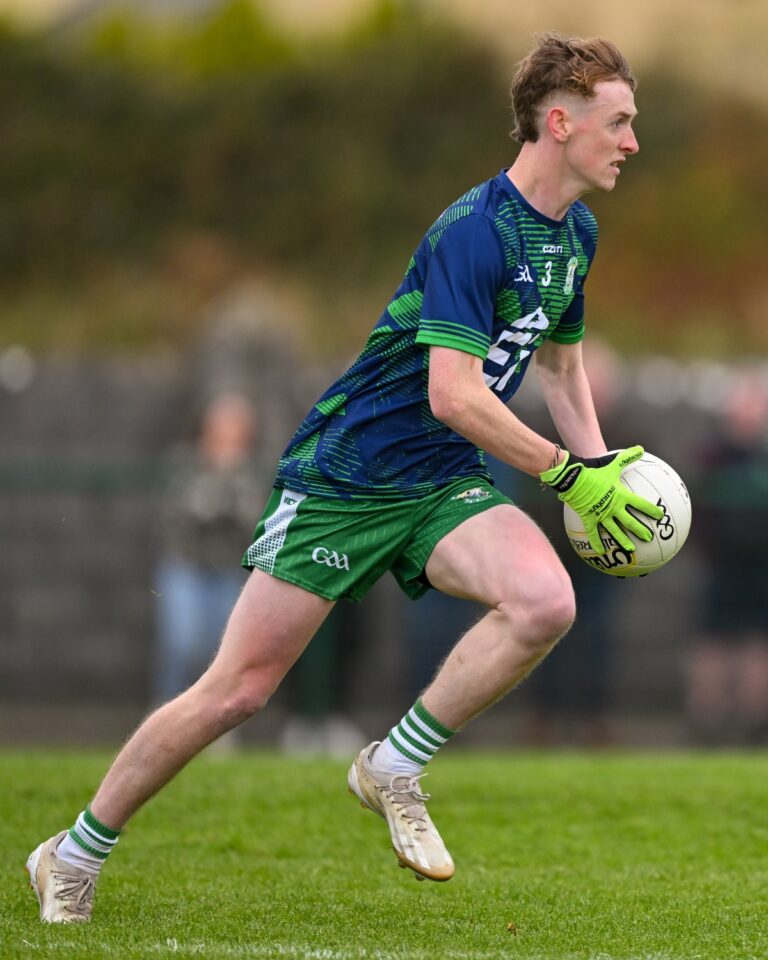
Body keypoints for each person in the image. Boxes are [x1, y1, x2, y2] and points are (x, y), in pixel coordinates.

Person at [27, 33, 664, 922]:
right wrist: (566, 474)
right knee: (238, 690)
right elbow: (453, 394)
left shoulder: (576, 235)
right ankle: (73, 852)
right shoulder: (474, 232)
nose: (632, 141)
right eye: (619, 121)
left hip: (440, 480)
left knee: (545, 602)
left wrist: (597, 469)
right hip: (347, 477)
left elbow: (560, 367)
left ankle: (393, 764)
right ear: (559, 122)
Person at [152, 393, 266, 707]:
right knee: (182, 643)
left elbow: (253, 519)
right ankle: (165, 711)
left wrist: (230, 480)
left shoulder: (248, 472)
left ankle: (215, 718)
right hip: (185, 566)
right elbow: (189, 511)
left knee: (223, 653)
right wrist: (221, 483)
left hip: (227, 570)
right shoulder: (185, 463)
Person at [685, 370, 768, 745]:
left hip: (761, 568)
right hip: (719, 566)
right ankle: (707, 718)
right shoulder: (711, 455)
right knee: (712, 640)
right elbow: (694, 507)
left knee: (758, 642)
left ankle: (755, 718)